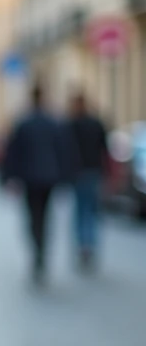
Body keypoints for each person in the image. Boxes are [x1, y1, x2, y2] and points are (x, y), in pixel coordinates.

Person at [0, 85, 76, 284]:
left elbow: (13, 153)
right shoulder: (53, 123)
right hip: (48, 177)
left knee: (34, 216)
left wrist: (8, 177)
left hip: (30, 178)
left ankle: (37, 249)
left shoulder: (24, 123)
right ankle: (41, 250)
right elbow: (63, 151)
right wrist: (65, 176)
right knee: (45, 215)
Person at [67, 92, 109, 271]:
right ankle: (89, 244)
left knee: (80, 210)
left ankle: (83, 245)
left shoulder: (72, 124)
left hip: (79, 173)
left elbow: (65, 149)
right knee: (90, 210)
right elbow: (104, 149)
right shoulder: (96, 123)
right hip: (93, 172)